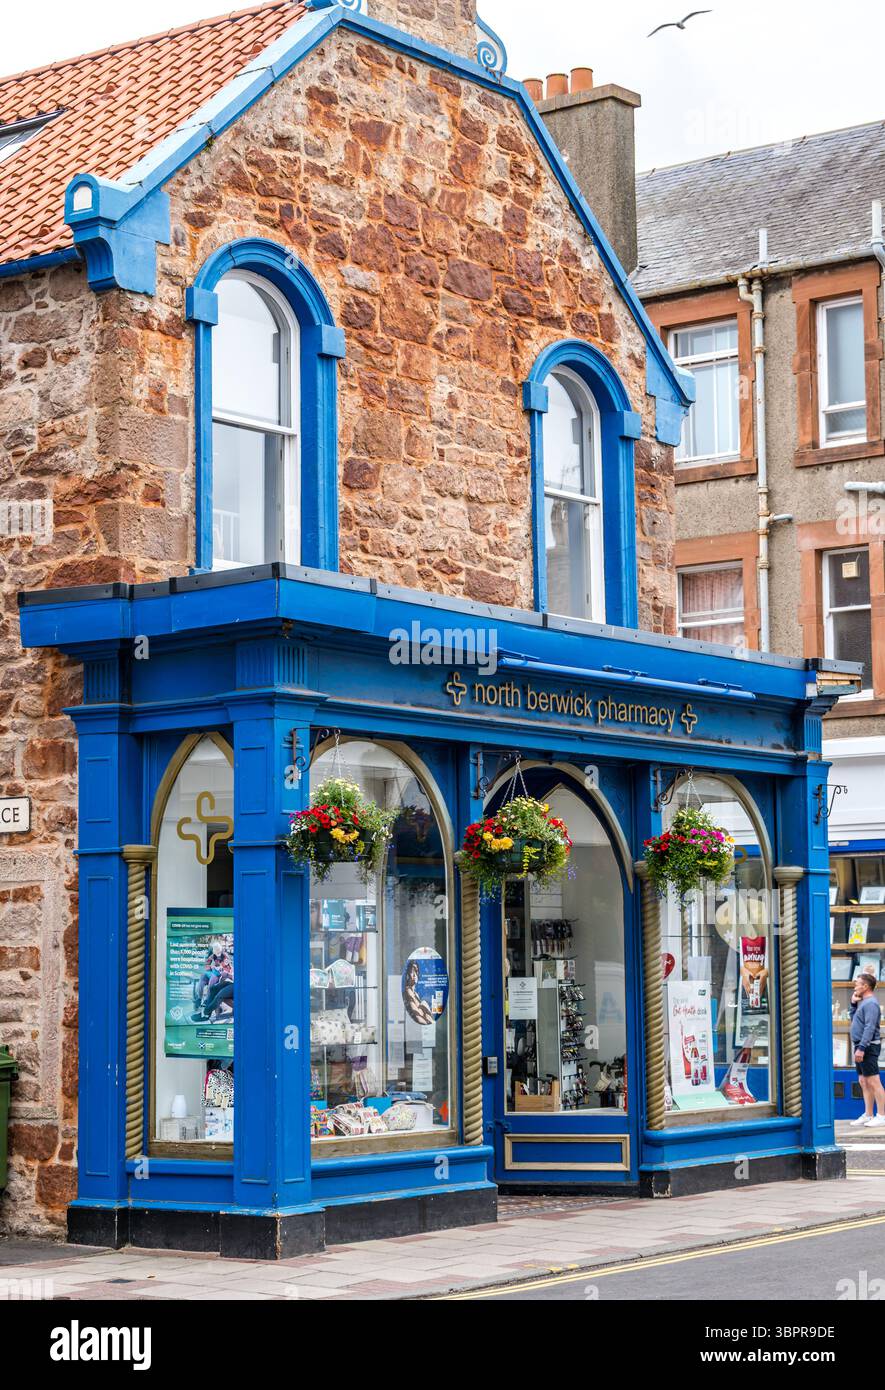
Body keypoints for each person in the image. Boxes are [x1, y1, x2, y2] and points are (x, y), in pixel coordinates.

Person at [849, 972, 884, 1127]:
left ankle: (881, 1115)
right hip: (861, 1045)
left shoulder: (871, 1004)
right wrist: (853, 1004)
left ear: (866, 986)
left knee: (873, 1080)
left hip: (868, 1046)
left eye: (858, 983)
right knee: (863, 1081)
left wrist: (862, 1048)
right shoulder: (863, 1003)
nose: (855, 986)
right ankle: (868, 1115)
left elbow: (870, 1028)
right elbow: (855, 1021)